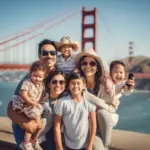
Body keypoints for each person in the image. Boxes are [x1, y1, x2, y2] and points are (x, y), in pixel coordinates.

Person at [7, 39, 59, 150]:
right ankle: (26, 141)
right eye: (45, 53)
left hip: (45, 127)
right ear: (40, 56)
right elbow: (10, 108)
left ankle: (35, 140)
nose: (49, 56)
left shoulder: (60, 76)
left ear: (56, 56)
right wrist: (25, 123)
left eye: (52, 53)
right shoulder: (30, 79)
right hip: (25, 124)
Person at [97, 60, 134, 150]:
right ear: (110, 73)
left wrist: (129, 88)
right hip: (102, 107)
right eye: (115, 72)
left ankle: (106, 146)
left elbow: (125, 91)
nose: (118, 75)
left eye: (121, 72)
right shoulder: (107, 81)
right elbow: (110, 88)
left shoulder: (121, 83)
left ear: (125, 74)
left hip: (109, 108)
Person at [11, 60, 47, 150]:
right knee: (35, 119)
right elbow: (24, 95)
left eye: (40, 77)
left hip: (32, 105)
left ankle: (34, 139)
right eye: (35, 76)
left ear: (43, 77)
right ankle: (26, 142)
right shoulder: (27, 82)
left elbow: (42, 93)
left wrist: (39, 101)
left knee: (41, 124)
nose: (37, 78)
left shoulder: (41, 84)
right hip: (23, 105)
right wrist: (33, 103)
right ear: (30, 73)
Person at [54, 73, 96, 150]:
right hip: (67, 145)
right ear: (68, 86)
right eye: (73, 83)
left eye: (78, 83)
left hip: (85, 144)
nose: (76, 86)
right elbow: (57, 126)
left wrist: (90, 145)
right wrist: (59, 147)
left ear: (83, 86)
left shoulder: (89, 103)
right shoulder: (62, 102)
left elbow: (93, 126)